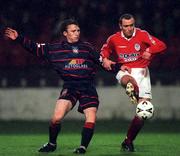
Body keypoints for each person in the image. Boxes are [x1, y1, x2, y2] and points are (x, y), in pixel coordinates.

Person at [4, 19, 119, 154]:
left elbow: (104, 63)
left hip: (87, 87)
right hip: (70, 87)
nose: (77, 33)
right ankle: (52, 144)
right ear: (65, 33)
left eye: (78, 30)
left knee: (91, 117)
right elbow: (35, 48)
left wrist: (121, 68)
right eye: (73, 31)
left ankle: (82, 147)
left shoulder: (87, 47)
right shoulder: (54, 49)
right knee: (56, 118)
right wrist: (18, 38)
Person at [101, 13, 167, 152]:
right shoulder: (113, 39)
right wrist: (105, 59)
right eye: (126, 26)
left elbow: (162, 45)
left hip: (143, 72)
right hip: (125, 70)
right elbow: (104, 52)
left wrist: (150, 50)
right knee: (129, 81)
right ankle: (132, 89)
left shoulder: (142, 34)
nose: (129, 28)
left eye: (131, 25)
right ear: (120, 26)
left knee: (143, 113)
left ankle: (128, 141)